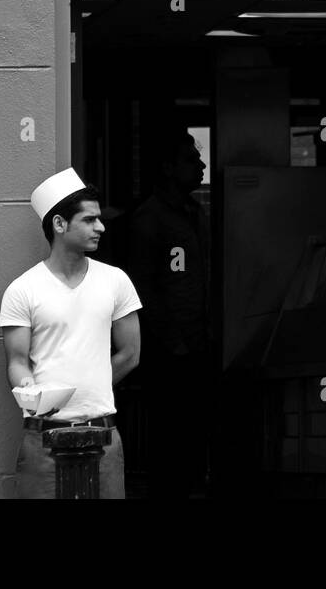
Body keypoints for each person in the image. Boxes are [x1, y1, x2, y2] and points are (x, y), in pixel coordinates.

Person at [0, 167, 142, 499]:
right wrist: (32, 392)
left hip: (103, 432)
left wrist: (89, 388)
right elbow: (17, 362)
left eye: (99, 219)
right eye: (89, 220)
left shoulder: (115, 280)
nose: (101, 227)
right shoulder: (23, 289)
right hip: (42, 437)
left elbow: (131, 354)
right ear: (60, 225)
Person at [128, 128, 211, 498]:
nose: (201, 164)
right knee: (168, 438)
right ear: (167, 167)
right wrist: (173, 341)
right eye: (191, 159)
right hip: (167, 349)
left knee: (195, 434)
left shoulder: (195, 212)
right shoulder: (150, 219)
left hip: (199, 342)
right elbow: (143, 288)